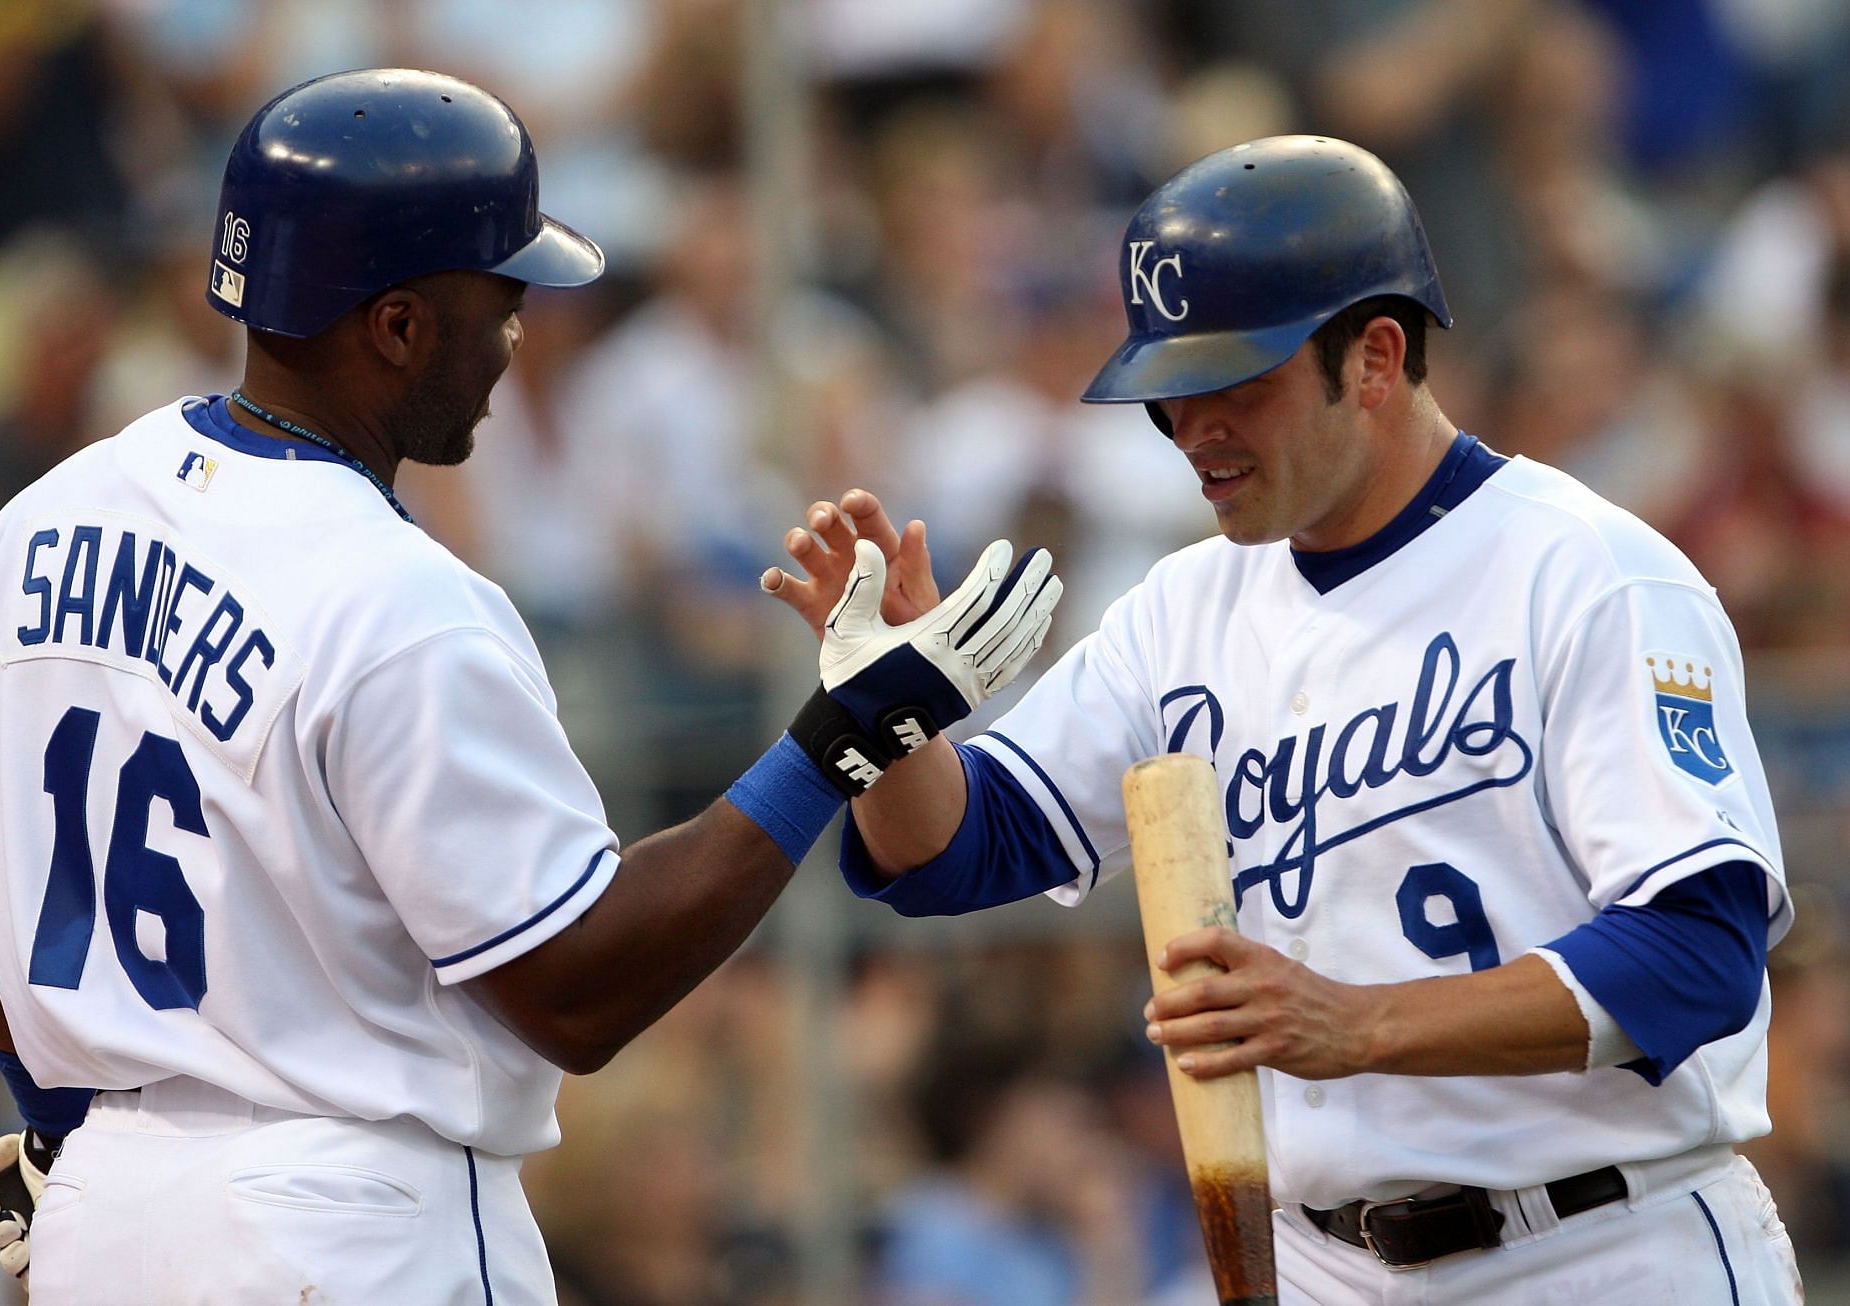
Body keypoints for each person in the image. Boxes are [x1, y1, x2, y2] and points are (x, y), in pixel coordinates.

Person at [0, 69, 1061, 1302]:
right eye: (502, 298)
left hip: (106, 1211)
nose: (523, 333)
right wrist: (840, 740)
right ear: (399, 326)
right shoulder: (398, 598)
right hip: (348, 1227)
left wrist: (56, 1123)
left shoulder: (45, 520)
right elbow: (576, 993)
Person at [763, 135, 1806, 1302]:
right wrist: (888, 714)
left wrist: (1359, 1024)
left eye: (1234, 383)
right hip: (1321, 1263)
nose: (1192, 429)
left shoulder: (1591, 574)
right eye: (1170, 394)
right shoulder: (1182, 608)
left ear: (1373, 356)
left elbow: (1697, 954)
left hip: (1604, 1246)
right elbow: (955, 852)